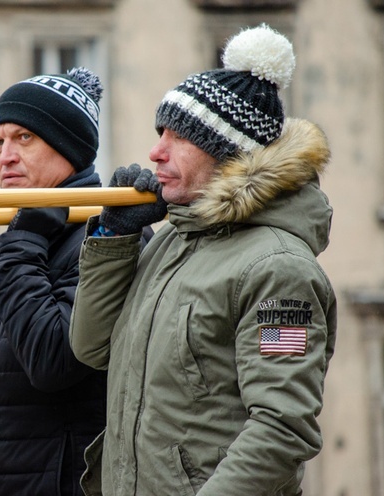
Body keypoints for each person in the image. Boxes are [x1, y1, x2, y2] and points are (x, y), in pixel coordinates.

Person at [69, 24, 337, 495]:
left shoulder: (280, 271)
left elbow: (281, 428)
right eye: (160, 133)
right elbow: (91, 348)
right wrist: (116, 237)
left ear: (230, 157)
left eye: (178, 137)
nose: (155, 151)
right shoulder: (174, 241)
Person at [0, 67, 120, 496]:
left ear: (69, 146)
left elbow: (52, 362)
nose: (5, 157)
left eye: (24, 138)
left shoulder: (113, 236)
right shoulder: (5, 248)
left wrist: (26, 237)